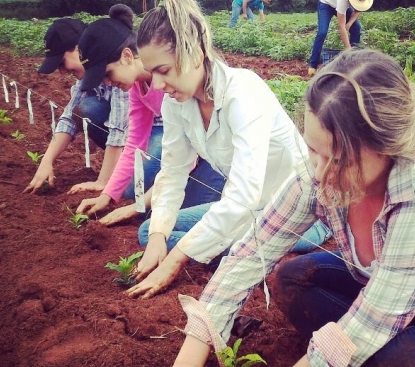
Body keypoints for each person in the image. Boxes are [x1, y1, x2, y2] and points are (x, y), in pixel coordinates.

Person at [162, 48, 415, 367]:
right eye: (313, 150)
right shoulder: (319, 171)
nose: (318, 173)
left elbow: (369, 323)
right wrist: (188, 365)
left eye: (337, 160)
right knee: (295, 281)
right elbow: (250, 254)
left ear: (387, 147)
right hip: (402, 293)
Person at [126, 0, 331, 299]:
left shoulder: (244, 93)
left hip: (298, 215)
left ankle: (251, 257)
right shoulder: (176, 103)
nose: (157, 84)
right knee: (150, 233)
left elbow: (243, 194)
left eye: (163, 70)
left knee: (189, 245)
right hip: (247, 212)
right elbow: (173, 171)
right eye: (151, 72)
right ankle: (239, 253)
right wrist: (159, 237)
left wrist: (175, 259)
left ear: (194, 51)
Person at [74, 4, 225, 226]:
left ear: (127, 56)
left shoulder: (176, 85)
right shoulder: (138, 88)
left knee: (167, 219)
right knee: (144, 204)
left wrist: (140, 204)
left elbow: (185, 156)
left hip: (213, 160)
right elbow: (135, 142)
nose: (107, 83)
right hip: (190, 154)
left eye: (108, 73)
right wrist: (107, 195)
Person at [23, 18, 129, 194]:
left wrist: (103, 182)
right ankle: (123, 165)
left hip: (150, 138)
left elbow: (119, 127)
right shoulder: (86, 78)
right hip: (130, 139)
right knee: (84, 109)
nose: (63, 71)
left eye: (62, 62)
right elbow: (69, 118)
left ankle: (129, 167)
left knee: (128, 189)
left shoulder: (115, 68)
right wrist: (46, 161)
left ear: (80, 48)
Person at [307, 0, 372, 77]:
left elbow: (358, 10)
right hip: (326, 4)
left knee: (356, 28)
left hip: (341, 6)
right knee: (322, 33)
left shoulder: (366, 1)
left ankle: (354, 58)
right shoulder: (343, 1)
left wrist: (349, 24)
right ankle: (313, 65)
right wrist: (348, 50)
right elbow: (341, 27)